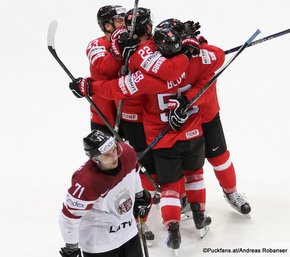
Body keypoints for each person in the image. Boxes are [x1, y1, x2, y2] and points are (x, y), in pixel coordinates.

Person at [68, 24, 225, 252]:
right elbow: (217, 58)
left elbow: (116, 88)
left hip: (161, 137)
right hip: (192, 131)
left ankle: (171, 226)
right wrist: (198, 45)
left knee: (167, 182)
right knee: (194, 173)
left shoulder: (146, 77)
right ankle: (199, 214)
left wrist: (90, 86)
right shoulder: (194, 61)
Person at [59, 129, 151, 257]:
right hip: (100, 245)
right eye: (107, 155)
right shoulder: (86, 182)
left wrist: (139, 195)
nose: (114, 156)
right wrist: (71, 248)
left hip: (129, 233)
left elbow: (134, 172)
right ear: (96, 159)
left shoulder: (127, 153)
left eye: (114, 149)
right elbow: (69, 217)